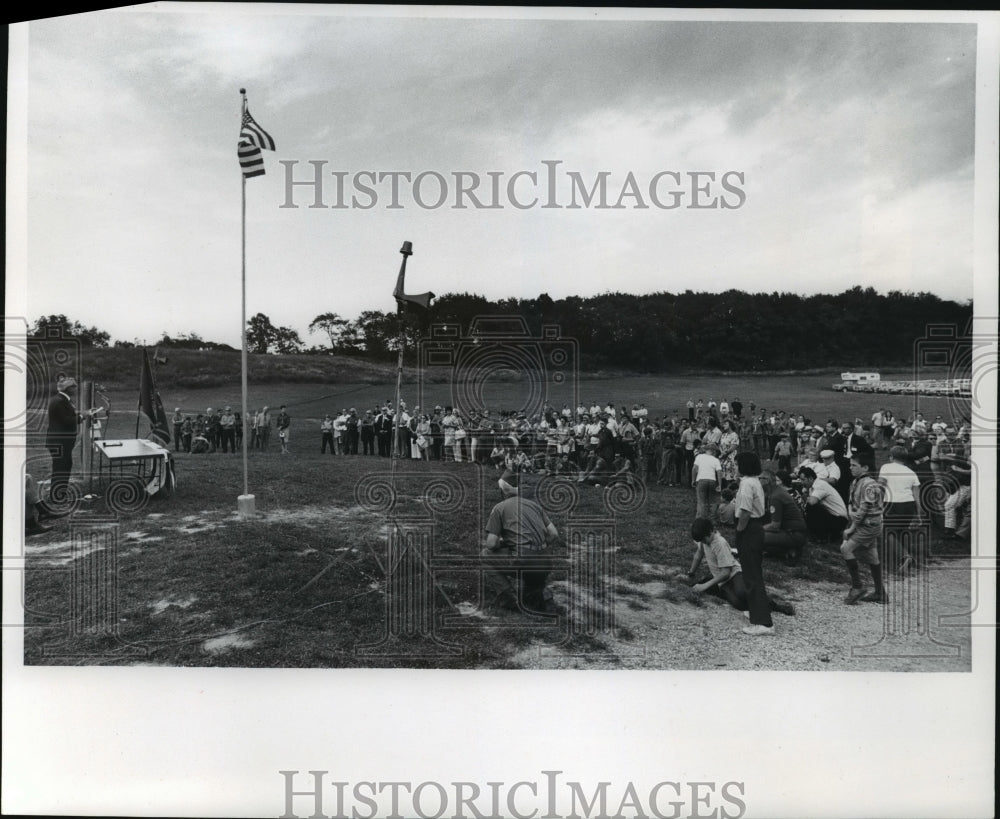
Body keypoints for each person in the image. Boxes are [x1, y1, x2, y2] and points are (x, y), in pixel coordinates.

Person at [480, 470, 561, 615]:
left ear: (502, 490)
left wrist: (505, 544)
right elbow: (554, 534)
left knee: (485, 556)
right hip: (545, 562)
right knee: (531, 585)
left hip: (524, 560)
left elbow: (491, 544)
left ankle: (509, 599)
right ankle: (543, 596)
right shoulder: (534, 505)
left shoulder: (499, 508)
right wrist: (538, 547)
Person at [686, 518, 794, 616]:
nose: (703, 543)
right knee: (739, 604)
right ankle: (750, 600)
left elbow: (726, 572)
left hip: (734, 574)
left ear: (710, 531)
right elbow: (698, 555)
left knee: (742, 593)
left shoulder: (719, 543)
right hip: (723, 582)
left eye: (704, 540)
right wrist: (691, 573)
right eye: (701, 541)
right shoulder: (704, 541)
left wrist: (705, 586)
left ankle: (775, 605)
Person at [731, 452, 776, 635]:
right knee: (751, 571)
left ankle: (764, 623)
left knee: (752, 575)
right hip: (755, 528)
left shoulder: (747, 483)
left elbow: (745, 511)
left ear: (744, 466)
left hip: (749, 528)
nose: (735, 468)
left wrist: (740, 531)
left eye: (736, 465)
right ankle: (756, 610)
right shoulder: (754, 481)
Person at [841, 453, 888, 604]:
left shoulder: (869, 484)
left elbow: (864, 508)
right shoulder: (856, 481)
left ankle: (857, 587)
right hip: (864, 523)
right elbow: (851, 502)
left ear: (865, 467)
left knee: (846, 549)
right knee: (872, 555)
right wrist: (850, 512)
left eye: (854, 465)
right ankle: (880, 593)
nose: (851, 467)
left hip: (869, 524)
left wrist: (851, 528)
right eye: (850, 465)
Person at [45, 375, 92, 505]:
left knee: (64, 466)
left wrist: (85, 412)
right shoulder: (60, 401)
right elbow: (66, 420)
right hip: (60, 442)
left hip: (61, 442)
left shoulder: (62, 400)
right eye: (74, 386)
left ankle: (59, 494)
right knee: (61, 468)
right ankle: (57, 497)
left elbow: (70, 414)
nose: (76, 389)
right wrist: (83, 416)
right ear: (68, 389)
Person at [761, 471, 808, 564]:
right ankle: (787, 550)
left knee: (756, 537)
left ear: (767, 484)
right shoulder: (778, 490)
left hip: (793, 534)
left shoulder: (775, 497)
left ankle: (789, 550)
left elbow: (775, 526)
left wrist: (759, 529)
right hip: (794, 531)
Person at [799, 466, 849, 542]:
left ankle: (822, 537)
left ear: (811, 478)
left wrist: (805, 495)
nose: (801, 482)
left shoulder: (820, 485)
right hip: (834, 517)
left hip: (840, 520)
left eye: (803, 480)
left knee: (811, 507)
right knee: (810, 508)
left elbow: (812, 502)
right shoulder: (813, 487)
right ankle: (827, 534)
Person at [691, 443, 723, 521]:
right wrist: (719, 484)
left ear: (705, 450)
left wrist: (693, 480)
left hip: (701, 480)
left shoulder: (699, 457)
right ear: (714, 451)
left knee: (701, 501)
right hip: (712, 481)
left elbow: (694, 469)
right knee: (713, 501)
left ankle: (700, 519)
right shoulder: (716, 460)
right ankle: (713, 519)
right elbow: (719, 472)